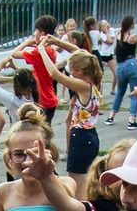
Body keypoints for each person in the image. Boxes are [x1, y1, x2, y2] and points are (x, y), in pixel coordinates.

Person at [42, 47, 103, 175]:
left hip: (81, 137)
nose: (70, 74)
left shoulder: (83, 86)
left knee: (77, 185)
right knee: (85, 180)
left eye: (72, 70)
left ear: (80, 71)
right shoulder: (95, 81)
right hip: (90, 135)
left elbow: (54, 73)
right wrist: (56, 42)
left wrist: (41, 49)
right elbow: (81, 53)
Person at [108, 14, 137, 127]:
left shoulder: (118, 34)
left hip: (120, 66)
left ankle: (111, 117)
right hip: (131, 64)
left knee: (120, 92)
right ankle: (131, 120)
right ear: (131, 24)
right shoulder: (132, 37)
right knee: (135, 92)